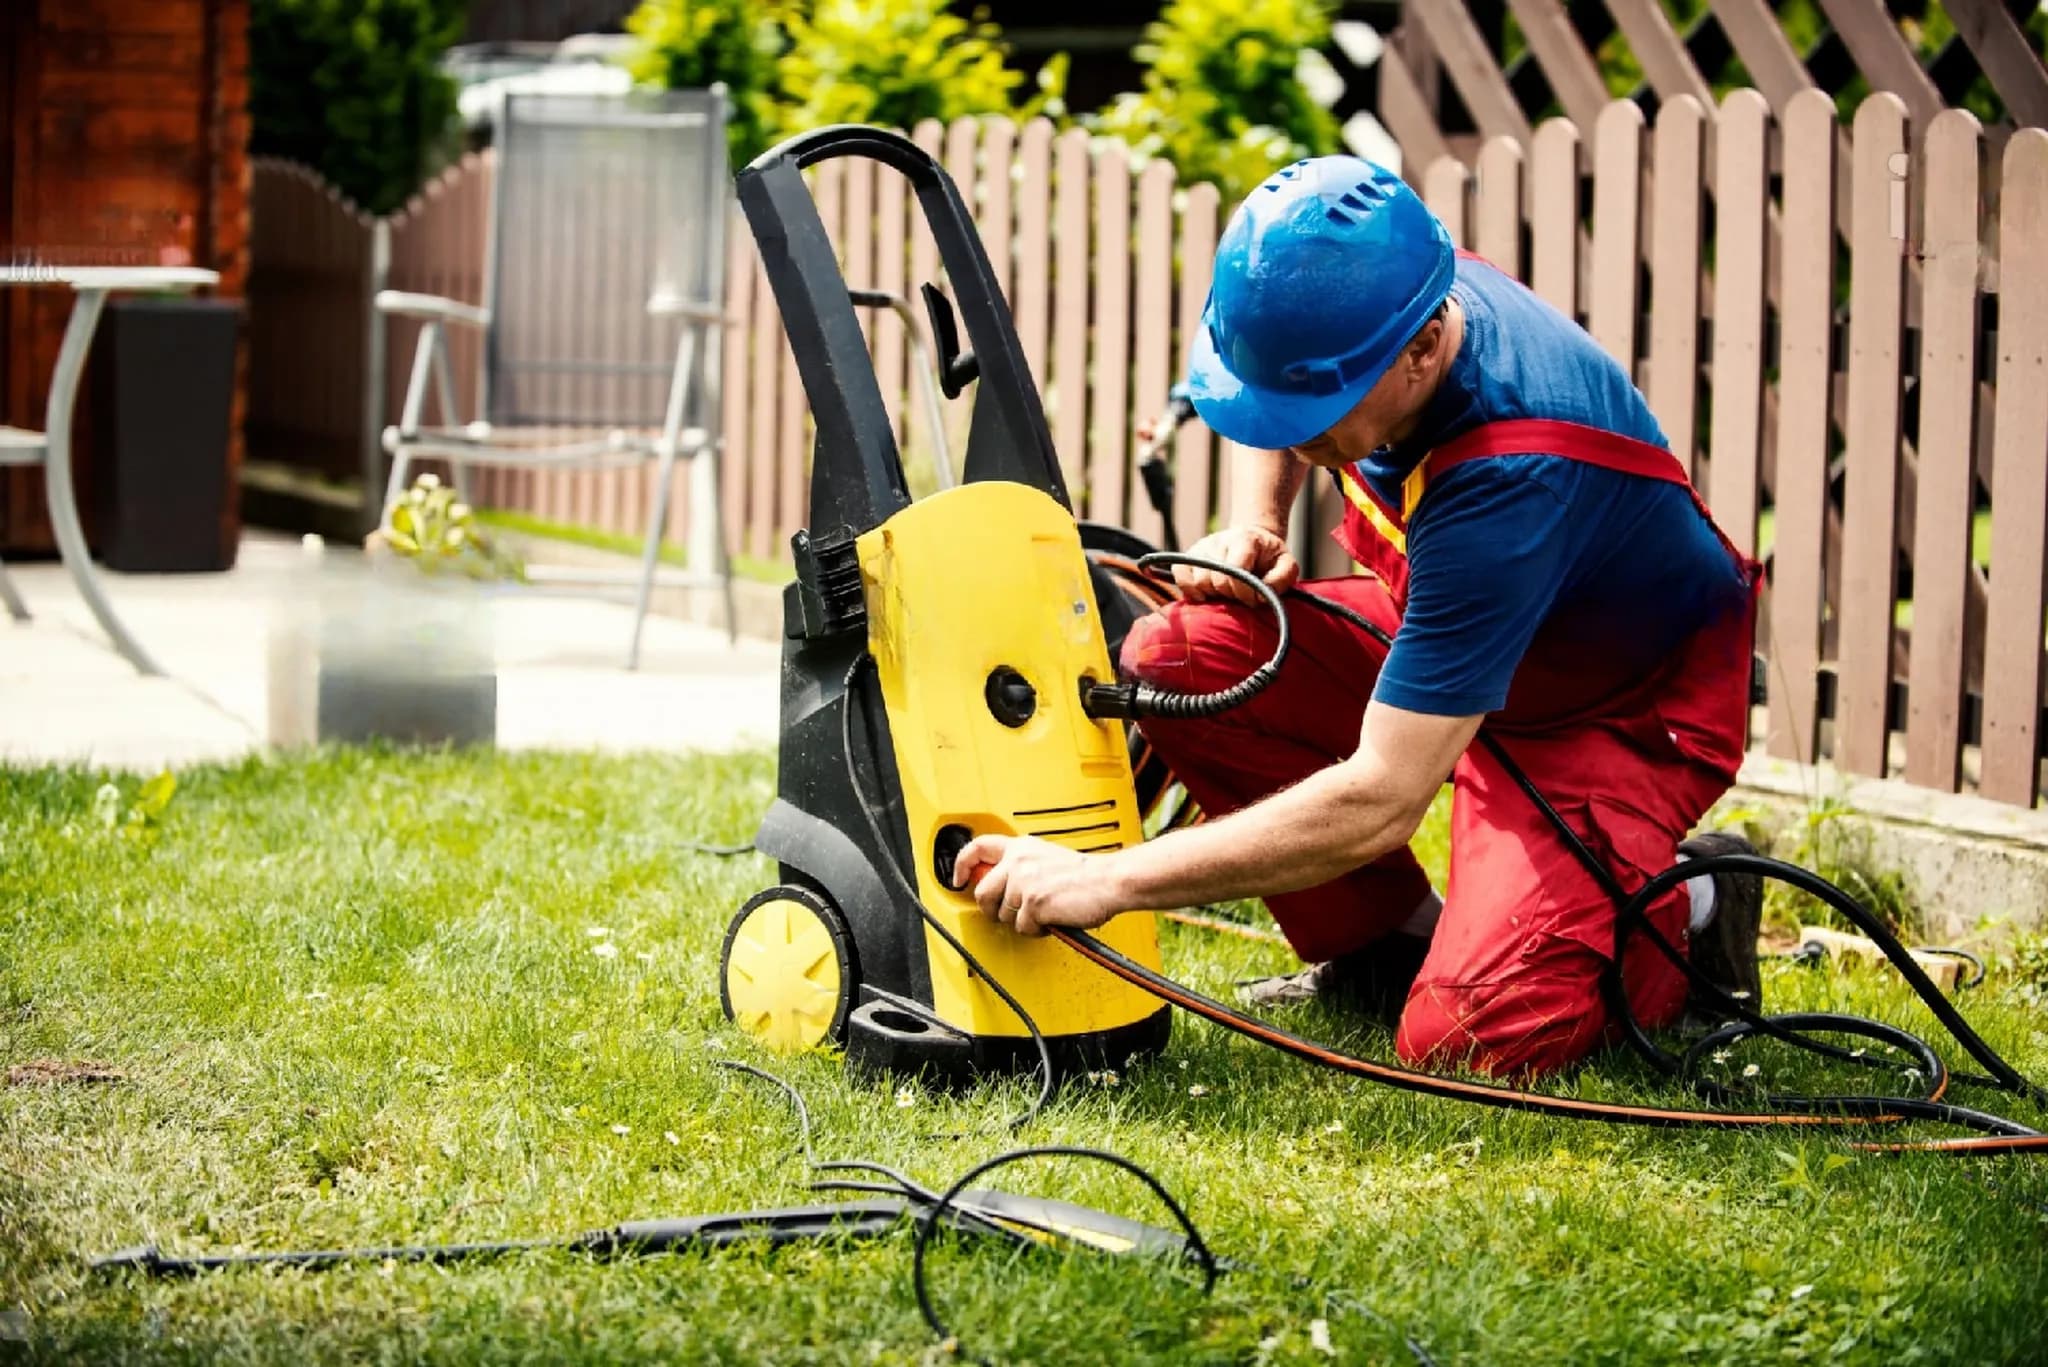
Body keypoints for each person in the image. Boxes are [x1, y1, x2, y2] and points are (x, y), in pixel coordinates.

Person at [953, 155, 1765, 1078]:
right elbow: (1279, 401)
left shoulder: (1508, 477)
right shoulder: (1382, 286)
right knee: (1183, 659)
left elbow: (1382, 796)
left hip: (1615, 706)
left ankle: (1693, 904)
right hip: (1469, 632)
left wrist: (1105, 878)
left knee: (1473, 1038)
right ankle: (1388, 947)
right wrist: (1260, 522)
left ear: (1422, 351)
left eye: (1316, 410)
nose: (1291, 434)